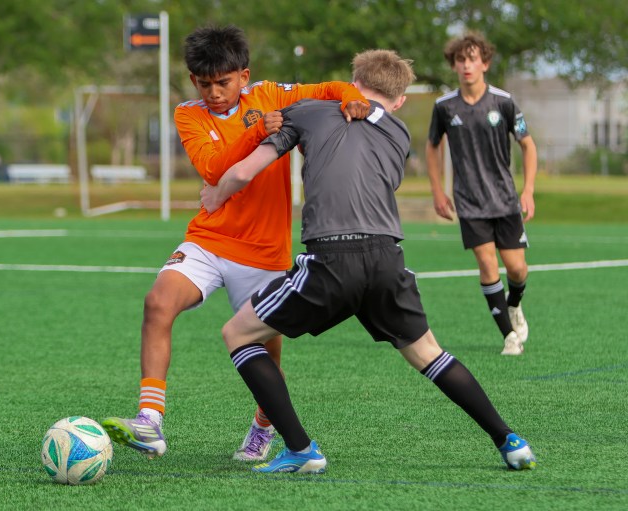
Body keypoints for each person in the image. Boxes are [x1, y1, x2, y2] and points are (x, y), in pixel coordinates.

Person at [200, 49, 537, 473]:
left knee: (238, 334)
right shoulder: (398, 134)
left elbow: (247, 171)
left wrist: (216, 194)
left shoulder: (310, 111)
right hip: (386, 260)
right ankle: (509, 441)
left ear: (352, 80)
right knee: (429, 354)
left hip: (330, 258)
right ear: (398, 100)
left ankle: (301, 450)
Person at [101, 25, 369, 461]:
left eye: (223, 82)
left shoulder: (271, 94)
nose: (214, 92)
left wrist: (350, 98)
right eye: (204, 84)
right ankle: (149, 421)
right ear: (193, 81)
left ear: (244, 76)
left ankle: (264, 425)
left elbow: (330, 86)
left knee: (266, 354)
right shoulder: (188, 114)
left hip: (265, 253)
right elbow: (212, 168)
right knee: (157, 303)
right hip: (209, 239)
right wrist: (256, 132)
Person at [424, 32, 538, 356]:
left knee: (517, 269)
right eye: (461, 60)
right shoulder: (444, 107)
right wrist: (437, 190)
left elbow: (528, 146)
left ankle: (514, 304)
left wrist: (528, 190)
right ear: (454, 66)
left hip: (504, 199)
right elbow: (432, 147)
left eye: (473, 59)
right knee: (487, 265)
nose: (466, 65)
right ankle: (509, 337)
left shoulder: (503, 101)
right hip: (469, 202)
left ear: (484, 63)